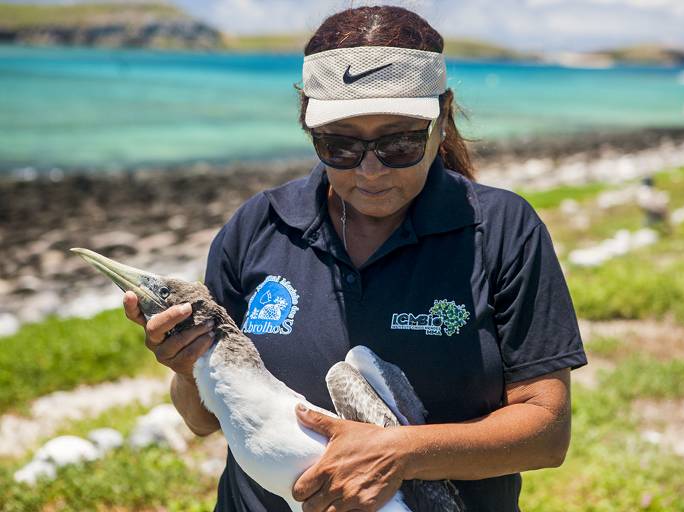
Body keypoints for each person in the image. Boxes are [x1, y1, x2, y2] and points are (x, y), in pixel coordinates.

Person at [122, 6, 587, 512]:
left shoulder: (500, 230)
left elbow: (547, 433)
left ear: (443, 116)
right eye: (339, 145)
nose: (370, 170)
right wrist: (188, 367)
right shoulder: (258, 227)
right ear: (307, 123)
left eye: (400, 142)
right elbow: (202, 420)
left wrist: (400, 454)